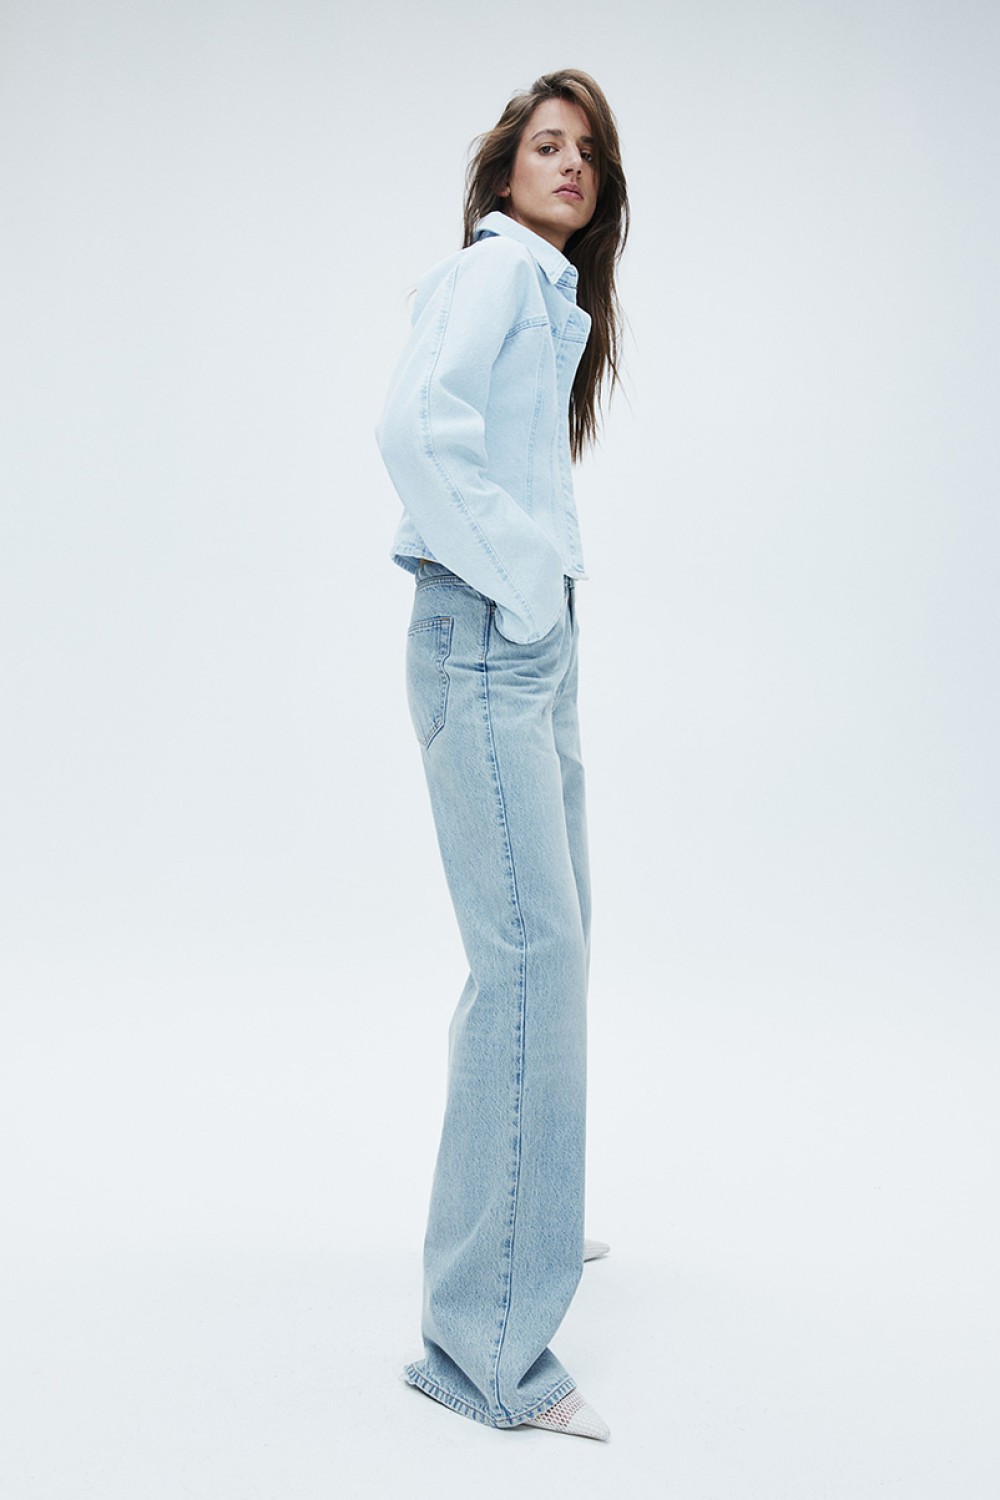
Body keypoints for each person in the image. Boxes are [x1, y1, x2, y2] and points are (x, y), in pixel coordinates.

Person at [375, 68, 629, 1440]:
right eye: (547, 145)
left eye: (587, 152)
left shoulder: (546, 294)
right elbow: (413, 429)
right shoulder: (490, 273)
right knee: (529, 956)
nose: (570, 165)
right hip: (488, 638)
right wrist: (523, 584)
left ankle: (525, 1211)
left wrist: (545, 598)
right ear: (504, 171)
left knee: (551, 948)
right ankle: (483, 1346)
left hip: (529, 643)